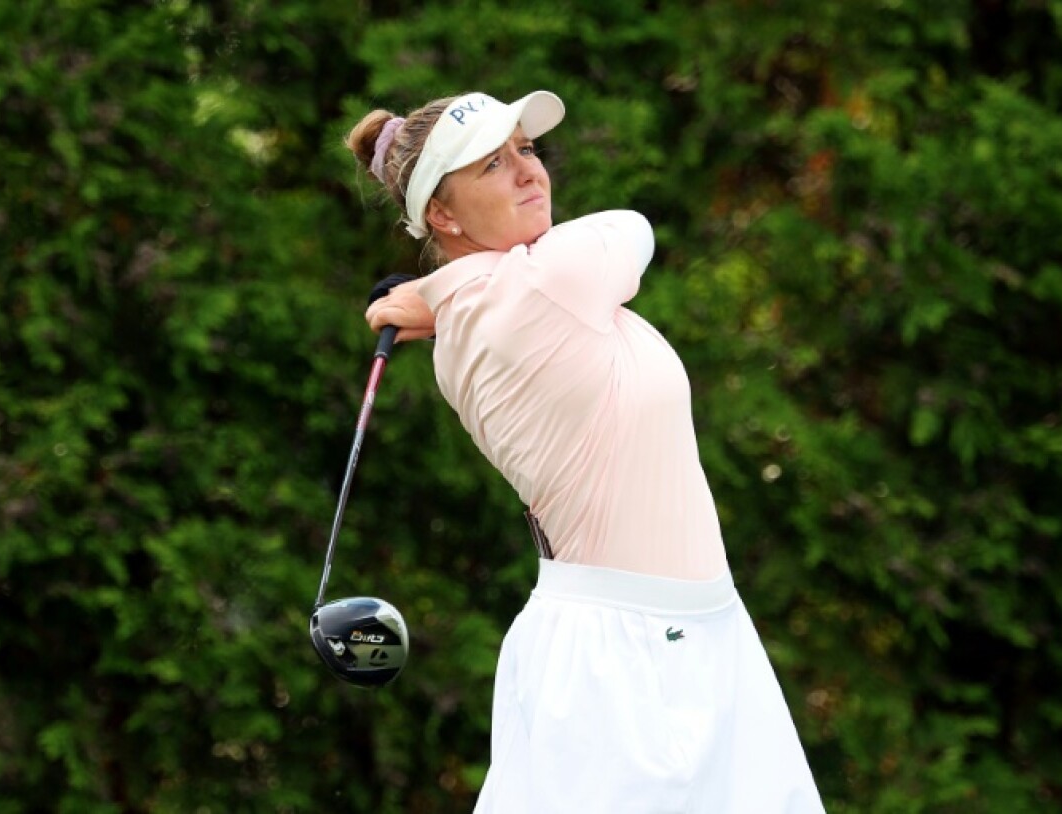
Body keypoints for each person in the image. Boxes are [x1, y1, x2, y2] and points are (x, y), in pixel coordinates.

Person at [347, 90, 825, 814]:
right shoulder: (539, 286)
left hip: (699, 631)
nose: (527, 173)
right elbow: (631, 227)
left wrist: (436, 296)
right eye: (492, 165)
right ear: (442, 216)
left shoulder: (498, 292)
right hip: (621, 658)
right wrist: (438, 296)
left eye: (526, 151)